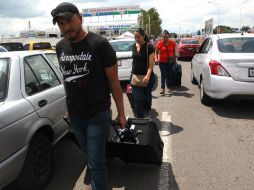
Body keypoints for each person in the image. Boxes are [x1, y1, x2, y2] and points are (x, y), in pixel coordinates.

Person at [51, 2, 126, 190]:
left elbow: (114, 83)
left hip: (97, 113)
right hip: (76, 116)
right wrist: (69, 109)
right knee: (88, 154)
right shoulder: (60, 47)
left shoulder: (100, 44)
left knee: (96, 162)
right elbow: (67, 79)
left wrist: (122, 113)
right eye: (61, 24)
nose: (66, 27)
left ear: (80, 18)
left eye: (69, 21)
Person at [131, 28, 155, 118]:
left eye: (138, 37)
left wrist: (148, 76)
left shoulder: (149, 47)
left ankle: (147, 109)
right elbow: (134, 60)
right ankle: (140, 118)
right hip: (135, 77)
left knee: (146, 96)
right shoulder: (133, 46)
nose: (137, 39)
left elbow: (151, 65)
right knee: (138, 98)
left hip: (147, 77)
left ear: (143, 36)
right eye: (135, 37)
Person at [155, 30, 177, 94]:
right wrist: (156, 59)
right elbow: (156, 52)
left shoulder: (173, 43)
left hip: (170, 62)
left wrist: (175, 57)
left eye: (166, 37)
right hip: (162, 62)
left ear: (168, 36)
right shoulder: (160, 43)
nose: (165, 38)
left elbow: (175, 52)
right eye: (164, 37)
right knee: (163, 74)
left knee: (169, 74)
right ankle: (162, 88)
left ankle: (168, 87)